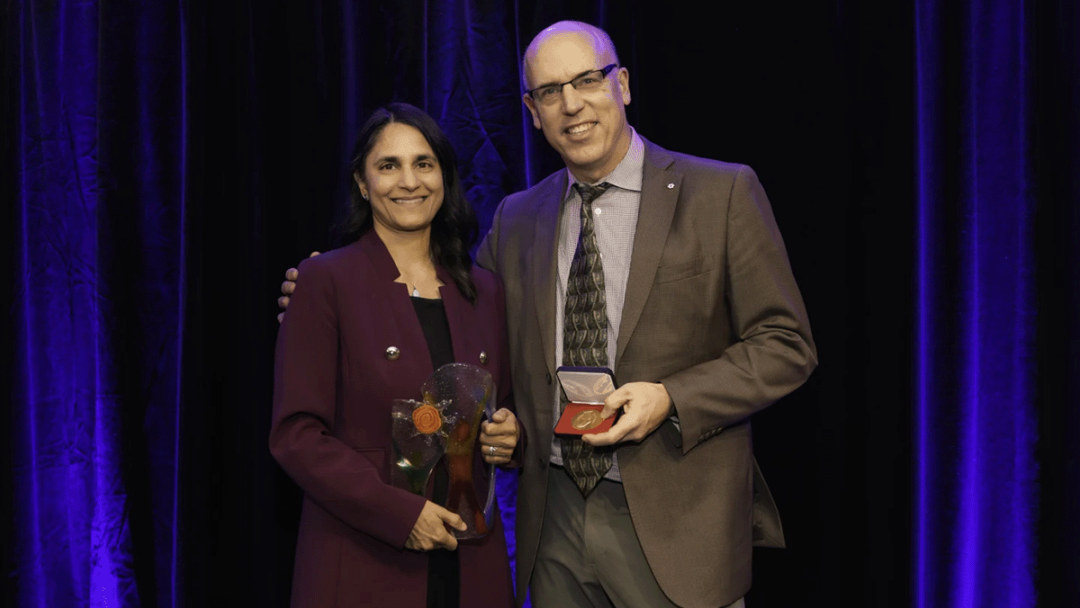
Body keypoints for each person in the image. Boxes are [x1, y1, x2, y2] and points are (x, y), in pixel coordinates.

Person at [281, 21, 816, 608]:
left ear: (624, 84)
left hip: (676, 522)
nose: (571, 104)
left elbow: (786, 343)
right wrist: (323, 289)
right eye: (549, 92)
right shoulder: (517, 219)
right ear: (533, 112)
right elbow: (453, 325)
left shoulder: (722, 193)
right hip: (553, 521)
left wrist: (671, 397)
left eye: (587, 79)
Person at [270, 102, 519, 608]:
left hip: (473, 565)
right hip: (365, 562)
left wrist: (511, 436)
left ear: (444, 177)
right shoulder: (325, 282)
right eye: (389, 166)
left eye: (424, 163)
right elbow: (296, 435)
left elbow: (504, 410)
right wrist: (400, 515)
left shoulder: (484, 292)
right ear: (363, 184)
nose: (409, 181)